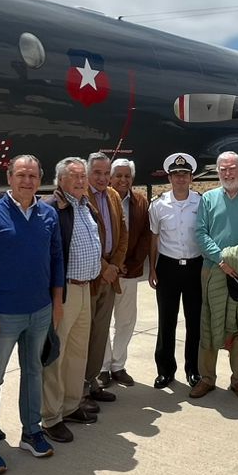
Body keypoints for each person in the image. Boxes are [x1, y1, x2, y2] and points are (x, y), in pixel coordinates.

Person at [0, 155, 63, 475]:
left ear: (40, 179)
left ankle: (31, 431)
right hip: (3, 314)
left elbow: (56, 259)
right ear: (9, 177)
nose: (27, 181)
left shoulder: (47, 214)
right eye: (21, 175)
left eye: (33, 175)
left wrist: (56, 302)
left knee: (33, 371)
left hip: (39, 311)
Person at [192, 151, 238, 399]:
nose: (227, 173)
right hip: (214, 270)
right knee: (210, 325)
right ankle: (207, 378)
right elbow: (201, 233)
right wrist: (222, 260)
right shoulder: (208, 199)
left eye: (232, 168)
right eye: (222, 169)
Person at [43, 157, 103, 442]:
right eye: (74, 176)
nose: (80, 180)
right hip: (63, 292)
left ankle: (69, 405)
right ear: (61, 180)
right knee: (57, 355)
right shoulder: (53, 207)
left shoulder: (84, 204)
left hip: (84, 289)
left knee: (77, 353)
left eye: (83, 175)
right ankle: (50, 417)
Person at [147, 152, 204, 389]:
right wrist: (152, 268)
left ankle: (194, 369)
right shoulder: (158, 205)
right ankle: (165, 370)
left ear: (191, 177)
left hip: (195, 267)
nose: (180, 179)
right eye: (176, 175)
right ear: (169, 177)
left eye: (185, 174)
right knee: (166, 321)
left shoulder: (201, 202)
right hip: (168, 267)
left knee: (195, 321)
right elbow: (154, 238)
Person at [81, 152, 129, 407]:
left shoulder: (112, 196)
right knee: (83, 335)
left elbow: (123, 234)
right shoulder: (80, 196)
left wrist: (114, 266)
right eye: (96, 173)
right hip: (89, 275)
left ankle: (92, 381)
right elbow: (82, 240)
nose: (101, 178)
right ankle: (79, 390)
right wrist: (103, 267)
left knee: (100, 334)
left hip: (109, 276)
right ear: (88, 173)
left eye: (105, 173)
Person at [102, 157, 151, 386]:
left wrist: (130, 265)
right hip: (104, 272)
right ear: (110, 178)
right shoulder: (100, 200)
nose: (123, 180)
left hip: (129, 271)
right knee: (102, 320)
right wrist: (109, 265)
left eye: (127, 176)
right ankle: (102, 367)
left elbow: (144, 237)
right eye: (118, 175)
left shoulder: (141, 202)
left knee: (125, 321)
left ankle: (118, 365)